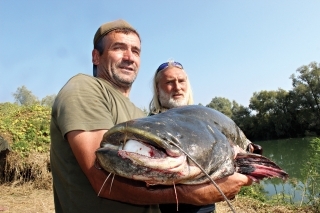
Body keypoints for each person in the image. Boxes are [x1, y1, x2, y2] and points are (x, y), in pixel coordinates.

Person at [50, 19, 252, 213]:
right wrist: (194, 194)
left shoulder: (140, 115)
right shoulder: (84, 88)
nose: (129, 57)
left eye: (135, 51)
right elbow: (100, 178)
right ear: (96, 56)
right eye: (119, 48)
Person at [149, 60, 216, 213]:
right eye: (170, 82)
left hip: (206, 207)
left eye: (181, 81)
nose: (177, 87)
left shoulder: (205, 118)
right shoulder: (149, 125)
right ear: (158, 90)